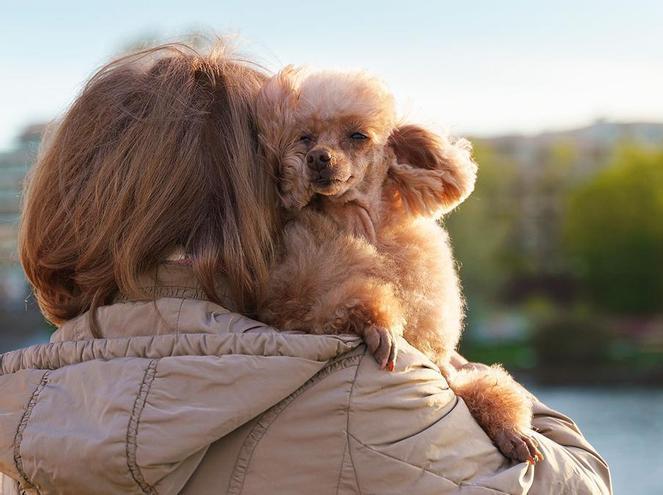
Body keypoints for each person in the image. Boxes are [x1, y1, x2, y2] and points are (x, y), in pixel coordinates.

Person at [0, 42, 611, 494]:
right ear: (263, 187)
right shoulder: (370, 394)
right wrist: (449, 364)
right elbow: (578, 484)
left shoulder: (22, 403)